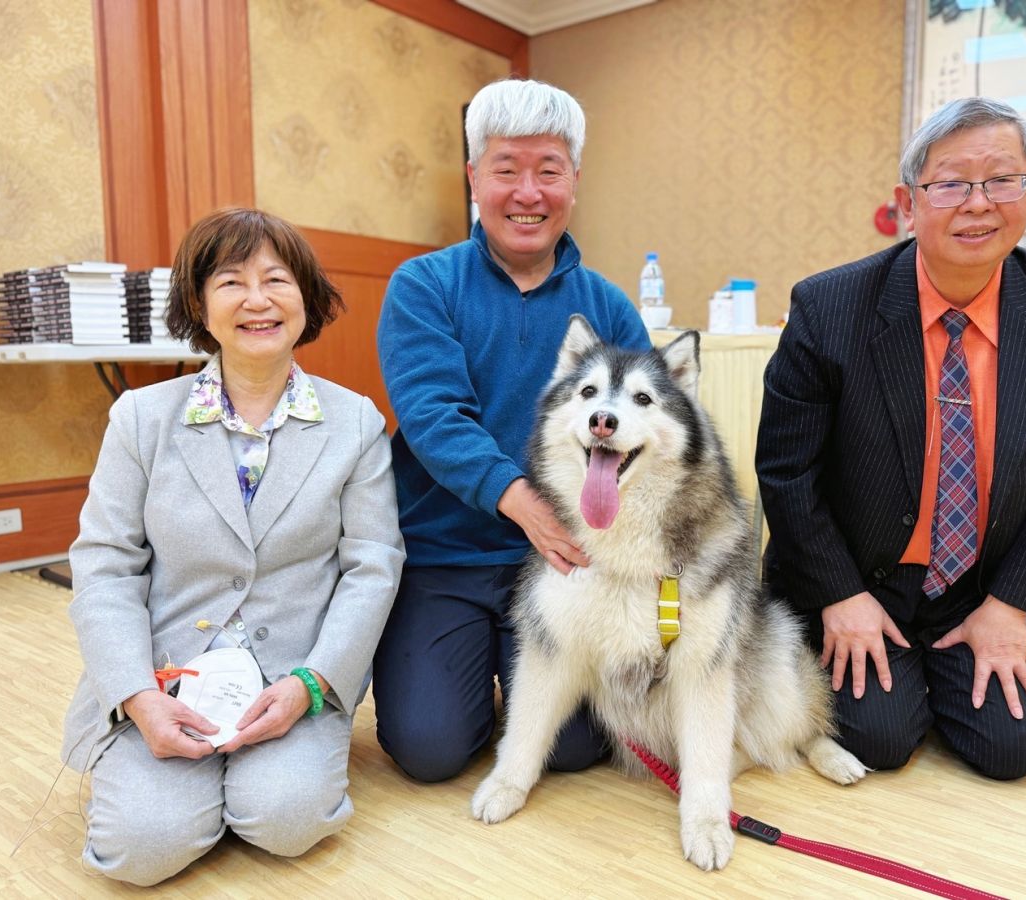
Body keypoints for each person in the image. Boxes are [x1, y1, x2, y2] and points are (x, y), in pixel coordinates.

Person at [756, 97, 1026, 780]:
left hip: (980, 583)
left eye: (1002, 180)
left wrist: (1011, 608)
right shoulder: (829, 308)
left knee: (1016, 749)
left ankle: (952, 656)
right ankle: (896, 673)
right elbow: (785, 471)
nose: (977, 203)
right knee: (880, 740)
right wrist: (839, 596)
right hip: (862, 577)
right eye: (950, 182)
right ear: (909, 203)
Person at [60, 208, 405, 885]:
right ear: (198, 303)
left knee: (288, 822)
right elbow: (104, 566)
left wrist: (312, 684)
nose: (257, 300)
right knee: (142, 850)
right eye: (231, 282)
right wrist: (136, 696)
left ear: (306, 297)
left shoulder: (354, 422)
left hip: (291, 675)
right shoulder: (140, 419)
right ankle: (175, 792)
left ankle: (239, 790)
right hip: (166, 675)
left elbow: (373, 565)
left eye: (277, 279)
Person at [372, 78, 652, 782]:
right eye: (506, 169)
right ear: (474, 177)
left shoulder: (608, 307)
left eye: (548, 171)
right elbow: (436, 418)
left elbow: (646, 429)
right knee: (430, 751)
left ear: (574, 181)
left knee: (576, 749)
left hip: (564, 562)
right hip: (446, 557)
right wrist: (524, 503)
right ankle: (472, 675)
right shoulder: (424, 286)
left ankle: (515, 673)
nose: (528, 192)